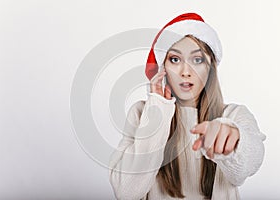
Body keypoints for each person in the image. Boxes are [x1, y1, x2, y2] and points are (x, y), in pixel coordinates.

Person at [109, 12, 266, 200]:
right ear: (163, 67)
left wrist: (233, 142)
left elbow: (250, 162)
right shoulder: (141, 113)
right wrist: (158, 110)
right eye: (175, 59)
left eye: (197, 59)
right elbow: (126, 192)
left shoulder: (233, 114)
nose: (186, 72)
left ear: (210, 68)